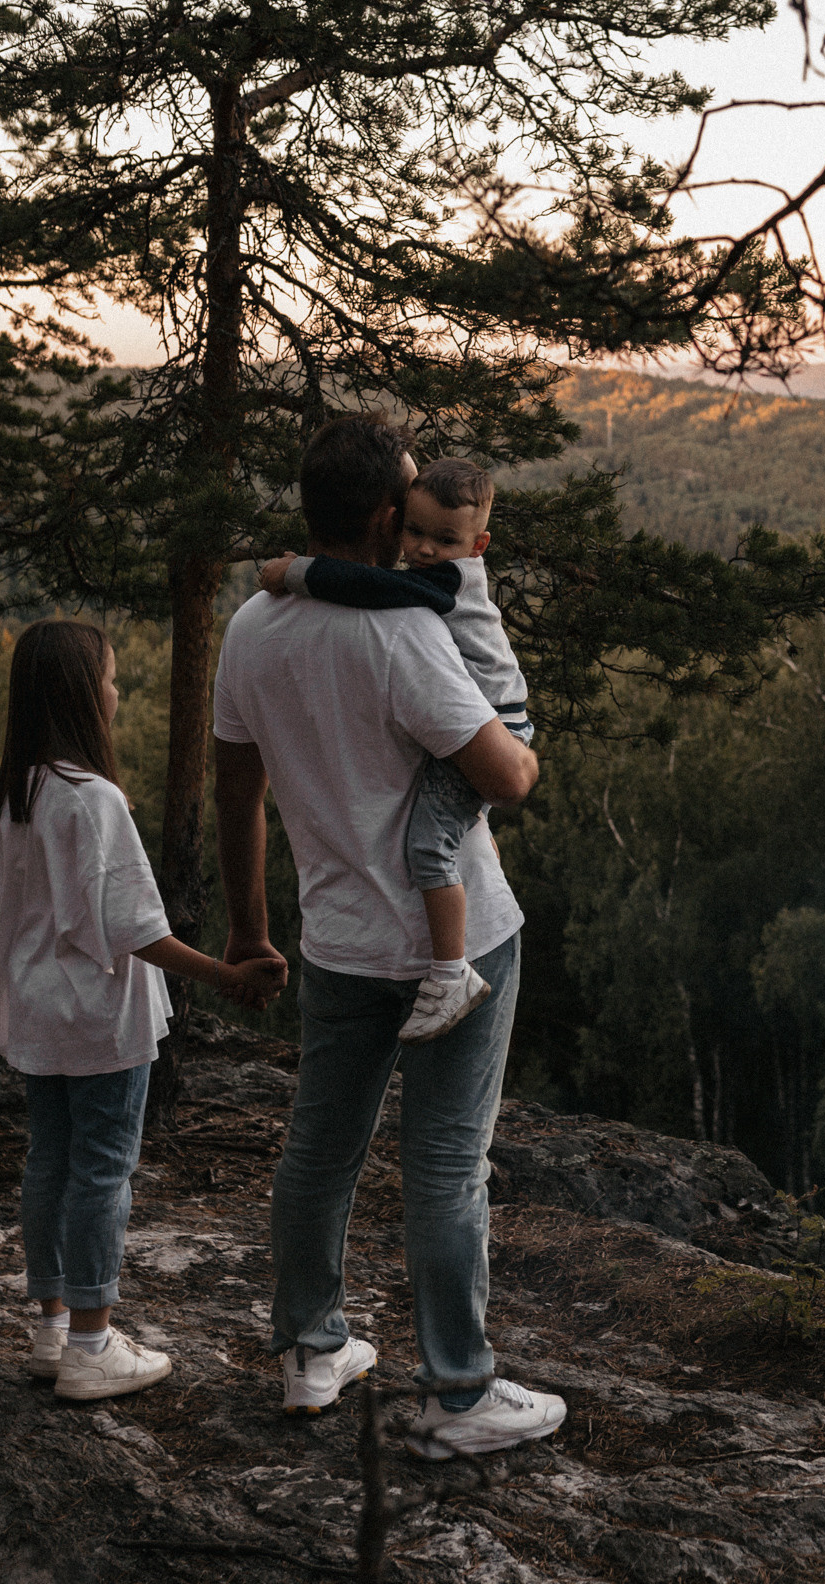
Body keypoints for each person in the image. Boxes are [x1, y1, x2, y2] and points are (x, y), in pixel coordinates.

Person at [211, 416, 568, 1452]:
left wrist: (249, 929)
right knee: (448, 1166)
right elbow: (506, 776)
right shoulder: (406, 632)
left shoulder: (252, 628)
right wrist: (526, 753)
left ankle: (309, 1350)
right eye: (408, 503)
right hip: (456, 940)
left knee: (319, 1151)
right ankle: (459, 1394)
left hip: (337, 941)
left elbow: (236, 789)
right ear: (382, 516)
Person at [0, 619, 287, 1402]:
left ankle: (52, 1329)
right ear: (83, 697)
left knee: (50, 1160)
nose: (117, 691)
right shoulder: (93, 800)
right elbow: (135, 928)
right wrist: (224, 974)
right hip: (98, 1014)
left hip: (39, 1006)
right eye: (111, 679)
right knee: (102, 1168)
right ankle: (93, 1342)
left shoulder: (17, 793)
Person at [256, 456, 530, 1045]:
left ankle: (451, 973)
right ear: (391, 521)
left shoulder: (448, 582)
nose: (425, 549)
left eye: (445, 540)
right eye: (415, 531)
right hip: (481, 724)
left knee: (429, 845)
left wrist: (298, 572)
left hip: (498, 725)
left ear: (478, 546)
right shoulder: (435, 582)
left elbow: (376, 588)